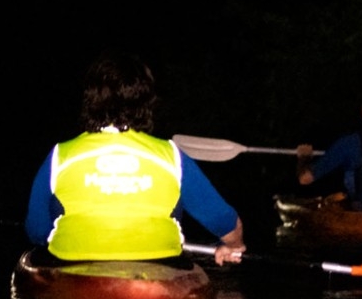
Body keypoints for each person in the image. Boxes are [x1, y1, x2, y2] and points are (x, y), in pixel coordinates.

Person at [25, 53, 246, 266]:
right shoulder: (171, 157)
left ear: (90, 101)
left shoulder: (60, 156)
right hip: (157, 268)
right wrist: (233, 245)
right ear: (146, 104)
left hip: (73, 267)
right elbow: (226, 223)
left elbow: (36, 229)